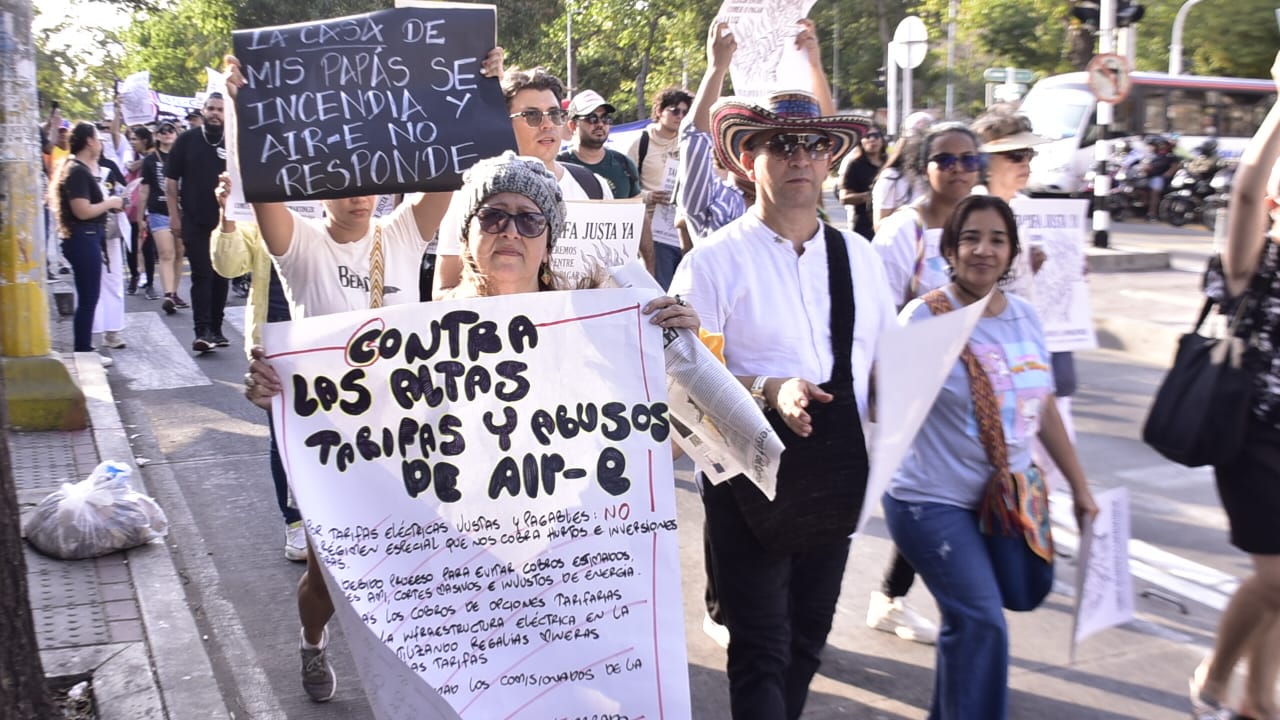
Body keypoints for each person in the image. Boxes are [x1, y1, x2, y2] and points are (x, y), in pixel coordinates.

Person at [243, 151, 697, 703]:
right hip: (455, 561)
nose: (510, 230)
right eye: (493, 216)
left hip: (559, 560)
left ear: (548, 238)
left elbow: (657, 446)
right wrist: (284, 393)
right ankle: (313, 639)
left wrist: (677, 353)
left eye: (529, 219)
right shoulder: (424, 331)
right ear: (469, 231)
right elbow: (365, 422)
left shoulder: (596, 325)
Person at [670, 91, 891, 720]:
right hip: (746, 474)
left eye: (816, 145)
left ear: (830, 162)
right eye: (782, 144)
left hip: (837, 469)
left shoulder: (860, 258)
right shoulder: (710, 262)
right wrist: (771, 388)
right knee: (761, 646)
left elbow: (887, 371)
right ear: (748, 157)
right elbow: (687, 382)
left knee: (808, 639)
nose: (801, 157)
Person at [883, 194, 1097, 720]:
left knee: (989, 612)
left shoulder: (1024, 315)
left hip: (1009, 499)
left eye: (997, 240)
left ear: (1012, 253)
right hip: (929, 501)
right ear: (950, 251)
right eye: (970, 239)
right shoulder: (925, 317)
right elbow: (883, 404)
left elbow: (1042, 406)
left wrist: (1081, 490)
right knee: (981, 619)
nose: (983, 250)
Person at [867, 123, 986, 647]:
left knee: (945, 497)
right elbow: (877, 314)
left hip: (968, 394)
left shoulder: (978, 227)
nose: (958, 170)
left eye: (968, 159)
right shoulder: (903, 233)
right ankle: (896, 599)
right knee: (926, 497)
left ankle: (893, 596)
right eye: (945, 160)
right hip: (917, 392)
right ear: (923, 167)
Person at [1190, 50, 1280, 720]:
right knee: (1279, 579)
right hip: (1253, 437)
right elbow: (1246, 189)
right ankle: (1217, 675)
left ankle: (1258, 698)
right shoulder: (1254, 261)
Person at [432, 66, 613, 298]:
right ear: (504, 123)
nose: (547, 124)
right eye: (532, 115)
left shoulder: (595, 187)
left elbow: (618, 281)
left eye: (555, 114)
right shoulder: (471, 194)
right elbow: (442, 291)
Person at [210, 172, 303, 561]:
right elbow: (228, 265)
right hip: (277, 346)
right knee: (283, 436)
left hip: (329, 342)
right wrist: (227, 214)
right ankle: (296, 521)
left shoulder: (338, 211)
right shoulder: (259, 213)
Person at [50, 122, 124, 363]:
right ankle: (83, 350)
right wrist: (110, 203)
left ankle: (84, 348)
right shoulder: (78, 171)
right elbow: (82, 210)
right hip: (84, 237)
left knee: (89, 295)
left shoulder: (76, 169)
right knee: (89, 296)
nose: (101, 143)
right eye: (98, 139)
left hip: (87, 237)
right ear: (90, 141)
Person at [166, 93, 228, 353]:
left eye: (220, 110)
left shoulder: (235, 141)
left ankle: (216, 327)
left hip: (227, 222)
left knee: (223, 274)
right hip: (194, 220)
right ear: (203, 111)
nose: (215, 113)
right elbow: (170, 183)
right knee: (202, 275)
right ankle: (201, 331)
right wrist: (174, 215)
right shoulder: (186, 140)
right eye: (211, 108)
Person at [627, 87, 693, 287]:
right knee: (659, 289)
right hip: (653, 231)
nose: (680, 116)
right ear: (659, 111)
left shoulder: (688, 142)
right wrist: (649, 196)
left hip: (683, 227)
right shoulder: (641, 142)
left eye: (684, 112)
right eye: (675, 111)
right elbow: (625, 190)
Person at [557, 89, 641, 199]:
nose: (600, 124)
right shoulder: (558, 165)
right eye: (592, 118)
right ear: (572, 126)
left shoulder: (625, 165)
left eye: (605, 118)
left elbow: (637, 211)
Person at [142, 120, 184, 312]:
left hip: (182, 210)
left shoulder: (183, 156)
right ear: (156, 136)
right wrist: (140, 216)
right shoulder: (150, 160)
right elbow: (144, 189)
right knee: (166, 253)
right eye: (163, 131)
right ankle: (168, 295)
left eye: (171, 131)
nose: (167, 134)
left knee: (178, 254)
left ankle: (174, 293)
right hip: (158, 210)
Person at [837, 123, 887, 239]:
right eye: (867, 136)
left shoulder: (889, 163)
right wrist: (870, 196)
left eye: (876, 135)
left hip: (887, 225)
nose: (872, 139)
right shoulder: (855, 165)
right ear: (861, 141)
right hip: (863, 227)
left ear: (882, 139)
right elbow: (844, 198)